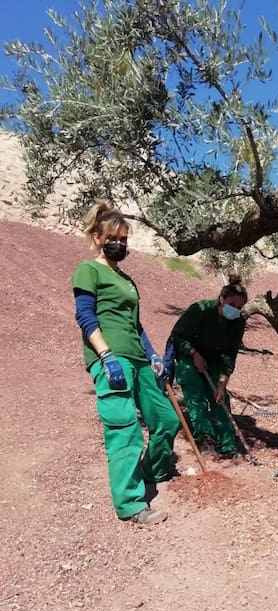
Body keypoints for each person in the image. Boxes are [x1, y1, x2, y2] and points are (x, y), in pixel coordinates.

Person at [72, 201, 180, 525]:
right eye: (112, 238)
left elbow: (137, 325)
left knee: (166, 419)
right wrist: (105, 356)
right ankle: (130, 504)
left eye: (123, 239)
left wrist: (153, 355)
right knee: (125, 430)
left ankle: (150, 473)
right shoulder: (88, 270)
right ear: (97, 237)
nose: (119, 244)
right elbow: (85, 315)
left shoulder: (128, 281)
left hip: (138, 358)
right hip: (111, 358)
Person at [168, 275, 247, 457]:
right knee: (195, 393)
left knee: (219, 398)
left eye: (239, 308)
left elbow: (230, 354)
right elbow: (178, 336)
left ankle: (227, 445)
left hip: (215, 359)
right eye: (232, 305)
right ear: (222, 299)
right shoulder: (200, 310)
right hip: (190, 354)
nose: (235, 310)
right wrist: (194, 354)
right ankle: (204, 438)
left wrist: (222, 383)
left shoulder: (238, 322)